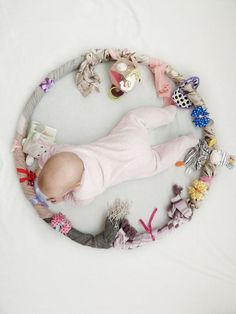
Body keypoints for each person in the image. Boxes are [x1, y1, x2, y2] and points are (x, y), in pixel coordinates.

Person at [35, 105, 198, 206]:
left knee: (158, 162)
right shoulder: (69, 153)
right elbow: (54, 151)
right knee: (135, 119)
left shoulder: (84, 193)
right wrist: (44, 161)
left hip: (138, 164)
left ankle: (186, 142)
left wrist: (62, 198)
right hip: (128, 142)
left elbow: (73, 200)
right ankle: (167, 115)